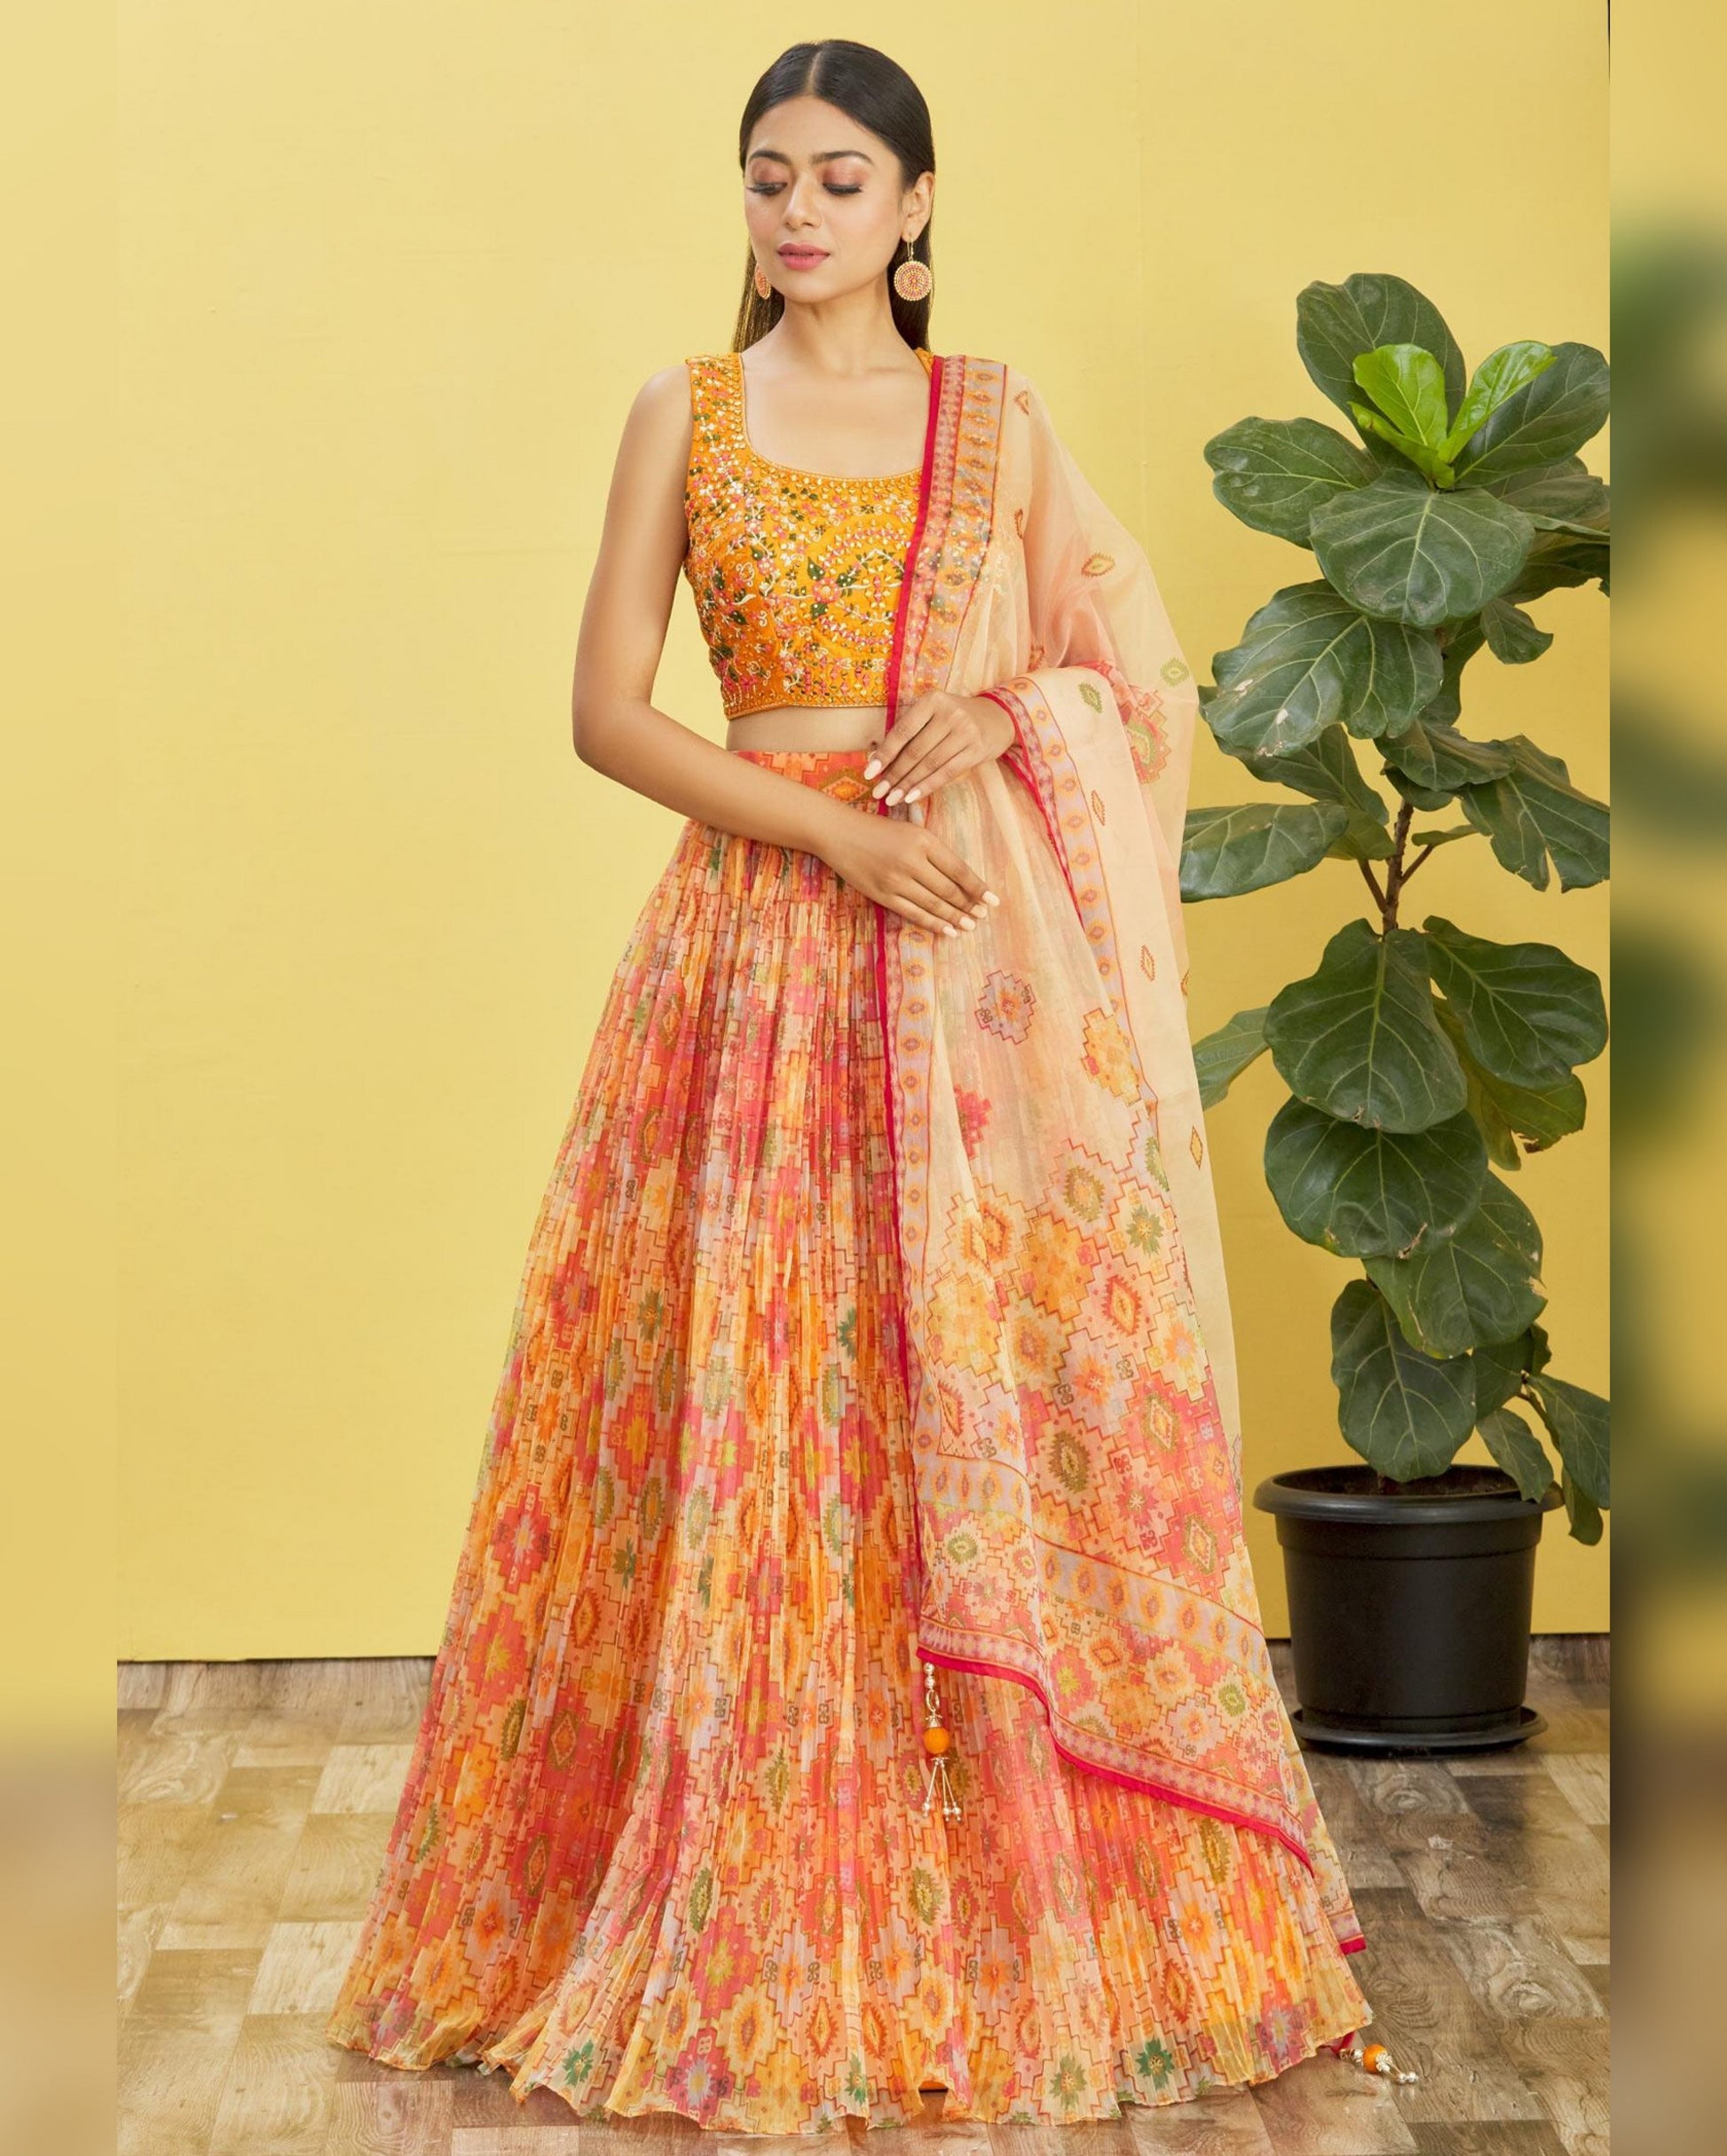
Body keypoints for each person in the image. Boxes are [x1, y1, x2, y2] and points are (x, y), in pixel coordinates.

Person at [326, 35, 1415, 2135]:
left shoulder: (995, 431)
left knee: (955, 1393)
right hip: (752, 955)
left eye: (841, 177)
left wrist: (1007, 710)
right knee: (755, 1402)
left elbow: (1132, 678)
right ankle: (740, 1885)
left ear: (917, 207)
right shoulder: (687, 410)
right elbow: (603, 713)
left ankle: (985, 1886)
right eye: (768, 176)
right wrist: (825, 829)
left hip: (963, 973)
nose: (800, 209)